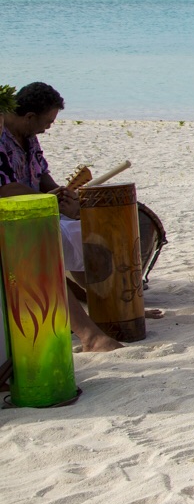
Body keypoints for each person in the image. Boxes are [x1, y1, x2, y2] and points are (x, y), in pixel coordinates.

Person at [0, 82, 121, 352]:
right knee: (40, 250)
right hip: (12, 219)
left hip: (37, 211)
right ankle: (89, 336)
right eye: (48, 122)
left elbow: (41, 175)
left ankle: (109, 309)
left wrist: (60, 196)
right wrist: (43, 198)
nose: (49, 127)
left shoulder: (29, 136)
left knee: (86, 233)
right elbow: (4, 188)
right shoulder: (0, 136)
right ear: (30, 117)